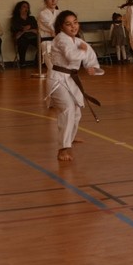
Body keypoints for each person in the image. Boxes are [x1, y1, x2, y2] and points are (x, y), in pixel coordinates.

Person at [47, 10, 103, 162]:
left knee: (77, 111)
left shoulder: (78, 42)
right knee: (67, 109)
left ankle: (69, 138)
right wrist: (82, 52)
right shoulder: (60, 39)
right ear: (61, 26)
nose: (73, 26)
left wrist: (92, 68)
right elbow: (71, 56)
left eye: (75, 22)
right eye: (68, 24)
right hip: (58, 79)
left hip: (71, 79)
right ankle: (63, 148)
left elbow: (90, 56)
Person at [38, 0, 60, 71]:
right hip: (47, 42)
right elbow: (52, 27)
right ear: (45, 0)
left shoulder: (60, 13)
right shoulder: (43, 14)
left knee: (61, 69)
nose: (53, 0)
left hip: (59, 42)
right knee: (53, 69)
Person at [11, 1, 38, 67]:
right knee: (22, 42)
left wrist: (28, 29)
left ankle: (37, 61)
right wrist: (27, 30)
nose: (26, 9)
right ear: (19, 9)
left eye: (27, 7)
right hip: (22, 38)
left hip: (33, 37)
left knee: (42, 43)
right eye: (24, 7)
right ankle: (22, 62)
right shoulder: (15, 19)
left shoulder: (31, 18)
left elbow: (37, 30)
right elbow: (17, 34)